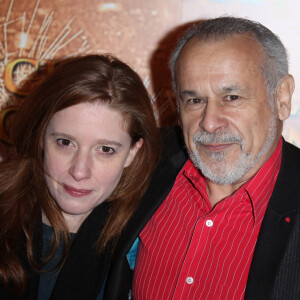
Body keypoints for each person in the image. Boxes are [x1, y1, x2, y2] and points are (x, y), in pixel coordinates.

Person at [104, 17, 300, 299]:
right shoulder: (143, 163)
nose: (209, 123)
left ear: (281, 98)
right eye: (194, 100)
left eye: (231, 97)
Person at [0, 54, 160, 300]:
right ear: (41, 136)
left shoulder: (146, 243)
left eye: (105, 149)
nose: (79, 171)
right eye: (65, 143)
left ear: (132, 152)